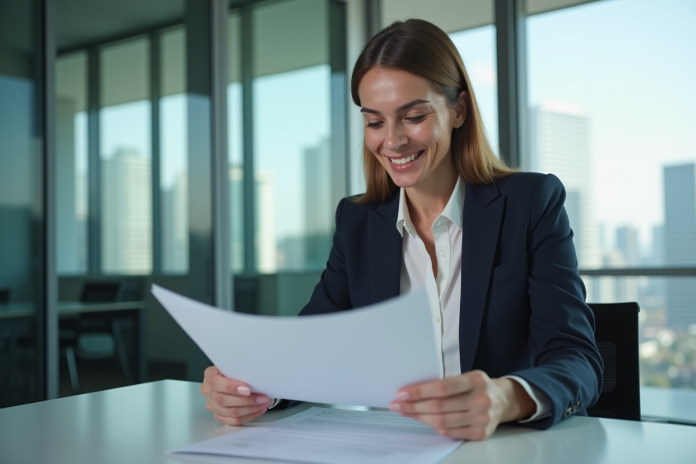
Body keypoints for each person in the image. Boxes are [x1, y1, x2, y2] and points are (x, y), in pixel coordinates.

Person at [201, 19, 603, 441]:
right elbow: (311, 350)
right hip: (392, 449)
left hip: (500, 449)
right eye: (374, 122)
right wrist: (252, 386)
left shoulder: (531, 202)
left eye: (412, 117)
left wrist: (505, 397)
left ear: (459, 111)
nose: (391, 141)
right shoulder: (357, 223)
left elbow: (578, 360)